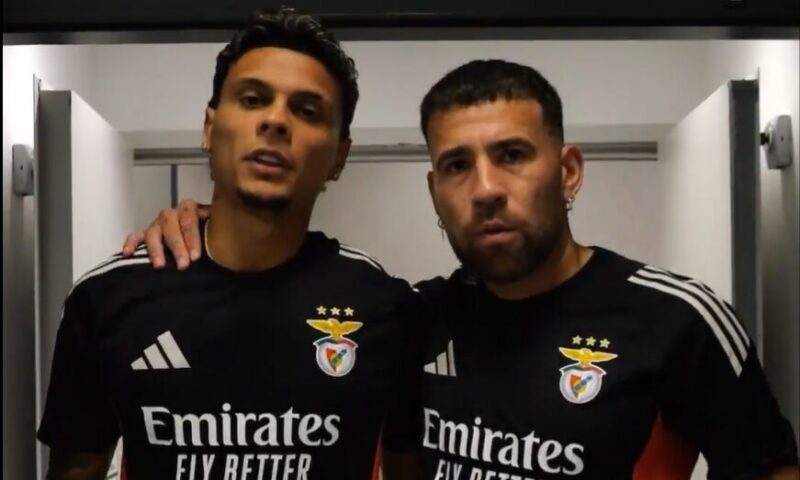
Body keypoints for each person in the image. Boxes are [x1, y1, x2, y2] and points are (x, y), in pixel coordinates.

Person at [126, 59, 800, 479]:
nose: (485, 189)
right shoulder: (412, 316)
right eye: (456, 166)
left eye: (512, 156)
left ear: (567, 171)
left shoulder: (677, 319)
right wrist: (204, 226)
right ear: (434, 192)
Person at [38, 8, 423, 480]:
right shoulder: (107, 298)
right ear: (209, 127)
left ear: (340, 155)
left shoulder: (386, 306)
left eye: (307, 110)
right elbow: (77, 468)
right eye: (253, 99)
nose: (276, 121)